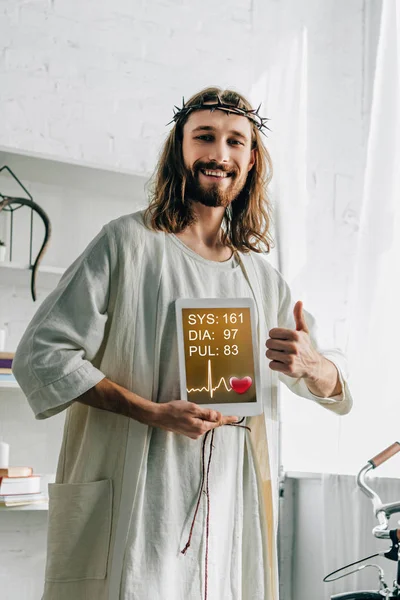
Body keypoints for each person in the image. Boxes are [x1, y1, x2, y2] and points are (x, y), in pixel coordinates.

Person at [13, 87, 352, 600]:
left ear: (251, 159)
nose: (220, 153)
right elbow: (43, 354)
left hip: (228, 502)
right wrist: (151, 411)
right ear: (180, 150)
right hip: (139, 498)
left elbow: (331, 387)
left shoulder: (261, 279)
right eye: (205, 137)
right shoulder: (127, 243)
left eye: (235, 141)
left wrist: (311, 365)